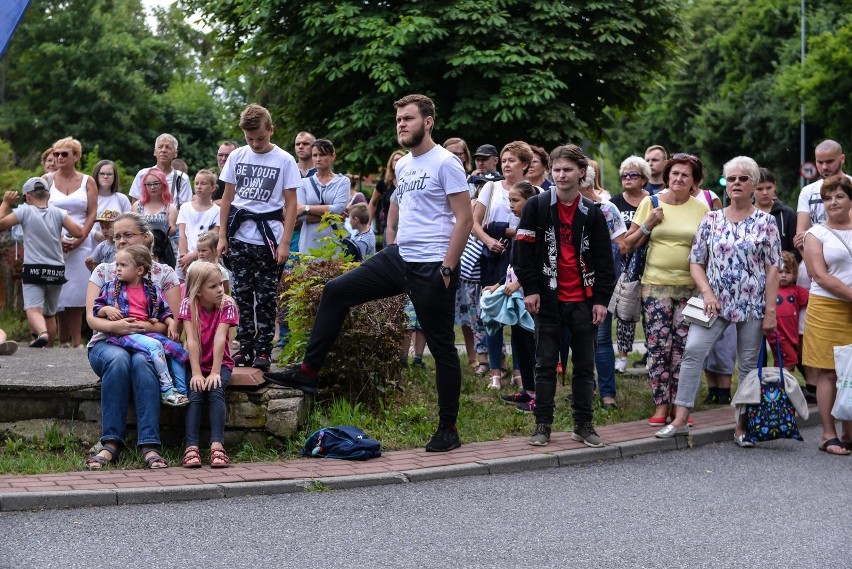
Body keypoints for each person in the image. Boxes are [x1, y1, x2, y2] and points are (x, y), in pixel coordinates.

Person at [265, 94, 473, 452]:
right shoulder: (404, 165)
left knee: (441, 347)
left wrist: (448, 267)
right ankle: (308, 373)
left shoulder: (446, 163)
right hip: (399, 257)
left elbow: (465, 218)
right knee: (336, 291)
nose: (402, 125)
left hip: (432, 265)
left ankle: (448, 428)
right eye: (398, 120)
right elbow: (400, 211)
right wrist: (391, 244)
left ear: (428, 122)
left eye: (408, 118)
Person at [656, 156, 781, 445]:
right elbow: (696, 262)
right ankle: (680, 419)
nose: (735, 184)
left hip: (751, 304)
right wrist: (708, 293)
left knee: (748, 366)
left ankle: (742, 425)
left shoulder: (766, 222)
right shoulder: (711, 219)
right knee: (692, 352)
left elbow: (773, 267)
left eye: (742, 179)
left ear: (753, 184)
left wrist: (771, 311)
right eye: (730, 179)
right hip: (712, 303)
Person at [513, 144, 616, 447]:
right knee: (544, 364)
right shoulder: (537, 206)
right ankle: (542, 424)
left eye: (567, 169)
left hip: (583, 300)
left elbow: (604, 261)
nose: (561, 175)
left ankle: (583, 424)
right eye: (556, 170)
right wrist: (531, 289)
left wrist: (601, 299)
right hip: (548, 299)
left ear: (581, 173)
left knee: (585, 365)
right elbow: (521, 254)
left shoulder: (593, 213)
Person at [85, 212, 182, 470]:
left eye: (128, 234)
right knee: (118, 361)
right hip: (107, 342)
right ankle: (111, 443)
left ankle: (149, 444)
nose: (121, 241)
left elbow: (171, 322)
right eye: (116, 236)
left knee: (142, 361)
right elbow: (92, 318)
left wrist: (142, 326)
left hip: (147, 341)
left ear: (146, 237)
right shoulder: (104, 272)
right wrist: (115, 326)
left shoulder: (165, 274)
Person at [624, 153, 709, 427]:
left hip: (690, 289)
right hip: (655, 287)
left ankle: (680, 406)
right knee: (658, 346)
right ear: (667, 176)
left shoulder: (702, 210)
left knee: (683, 349)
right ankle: (661, 405)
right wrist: (649, 225)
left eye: (685, 175)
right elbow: (628, 244)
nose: (678, 178)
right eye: (674, 173)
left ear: (694, 182)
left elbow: (708, 251)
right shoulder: (651, 202)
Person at [217, 103, 300, 371]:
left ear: (271, 130)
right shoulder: (237, 156)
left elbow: (291, 204)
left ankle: (264, 349)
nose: (255, 144)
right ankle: (244, 346)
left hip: (269, 239)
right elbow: (227, 199)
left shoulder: (285, 160)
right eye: (250, 139)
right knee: (241, 295)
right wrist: (222, 236)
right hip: (239, 236)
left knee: (265, 298)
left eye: (260, 138)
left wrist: (285, 242)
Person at [93, 245, 189, 406]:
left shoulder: (152, 289)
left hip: (147, 334)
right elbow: (97, 308)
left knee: (176, 350)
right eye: (117, 264)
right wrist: (107, 310)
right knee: (155, 346)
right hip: (124, 334)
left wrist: (171, 321)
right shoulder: (110, 287)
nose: (117, 269)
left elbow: (164, 311)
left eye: (123, 265)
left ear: (139, 270)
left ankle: (182, 391)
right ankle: (167, 390)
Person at [472, 141, 532, 389]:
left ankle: (519, 370)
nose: (506, 164)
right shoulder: (491, 187)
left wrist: (512, 235)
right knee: (492, 313)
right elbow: (474, 223)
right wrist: (489, 241)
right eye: (504, 160)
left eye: (512, 160)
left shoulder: (534, 190)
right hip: (493, 256)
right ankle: (495, 371)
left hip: (520, 257)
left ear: (525, 165)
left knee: (519, 314)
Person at [802, 174, 852, 456]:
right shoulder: (815, 233)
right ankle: (828, 434)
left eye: (839, 196)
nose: (833, 202)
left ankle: (849, 432)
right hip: (827, 308)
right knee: (829, 371)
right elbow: (819, 275)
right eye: (828, 198)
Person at [0, 178, 83, 348]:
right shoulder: (59, 212)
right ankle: (49, 347)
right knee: (50, 313)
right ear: (49, 195)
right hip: (57, 269)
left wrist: (5, 203)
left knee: (33, 309)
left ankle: (42, 333)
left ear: (28, 197)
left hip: (34, 268)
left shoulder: (24, 211)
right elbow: (78, 232)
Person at [180, 262, 239, 468]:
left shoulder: (227, 304)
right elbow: (192, 339)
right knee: (194, 393)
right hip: (196, 361)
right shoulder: (188, 304)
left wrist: (215, 372)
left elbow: (220, 338)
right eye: (213, 287)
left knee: (215, 389)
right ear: (198, 291)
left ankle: (217, 446)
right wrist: (196, 373)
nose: (220, 289)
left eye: (220, 284)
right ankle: (191, 447)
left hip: (220, 363)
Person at [579, 163, 627, 409]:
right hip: (569, 284)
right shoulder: (555, 205)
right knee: (575, 340)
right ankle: (584, 391)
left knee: (602, 338)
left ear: (584, 181)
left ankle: (608, 395)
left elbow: (622, 245)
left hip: (599, 285)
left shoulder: (607, 209)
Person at [489, 181, 539, 411]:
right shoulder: (520, 226)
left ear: (529, 201)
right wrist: (498, 285)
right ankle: (527, 391)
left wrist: (520, 283)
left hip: (532, 295)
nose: (511, 205)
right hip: (516, 295)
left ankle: (538, 397)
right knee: (518, 343)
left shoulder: (538, 226)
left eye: (515, 200)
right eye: (509, 200)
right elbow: (514, 264)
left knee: (532, 346)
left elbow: (542, 263)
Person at [46, 137, 98, 348]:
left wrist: (80, 238)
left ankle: (77, 342)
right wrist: (55, 238)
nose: (59, 157)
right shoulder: (47, 180)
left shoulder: (88, 181)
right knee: (56, 291)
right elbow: (39, 209)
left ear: (76, 156)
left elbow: (92, 212)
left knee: (76, 292)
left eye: (64, 154)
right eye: (56, 153)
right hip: (52, 241)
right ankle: (59, 340)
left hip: (81, 241)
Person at [610, 156, 651, 372]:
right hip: (624, 265)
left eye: (633, 175)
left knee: (650, 313)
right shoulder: (615, 202)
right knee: (624, 312)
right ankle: (622, 357)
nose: (627, 178)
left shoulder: (653, 201)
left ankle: (651, 354)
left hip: (650, 263)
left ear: (644, 179)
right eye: (624, 175)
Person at [296, 139, 349, 255]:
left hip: (334, 243)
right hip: (308, 244)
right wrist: (333, 217)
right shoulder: (303, 183)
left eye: (323, 155)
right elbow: (300, 217)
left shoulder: (342, 181)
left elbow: (338, 208)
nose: (318, 159)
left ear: (332, 156)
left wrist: (306, 208)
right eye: (315, 155)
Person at [128, 134, 192, 210]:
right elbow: (135, 204)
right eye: (160, 147)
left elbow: (185, 208)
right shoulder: (143, 174)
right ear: (155, 152)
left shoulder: (182, 178)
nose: (163, 150)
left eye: (168, 147)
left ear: (175, 153)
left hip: (173, 220)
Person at [177, 169, 221, 280]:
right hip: (184, 257)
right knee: (182, 290)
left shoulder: (217, 211)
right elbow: (182, 234)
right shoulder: (185, 207)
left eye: (203, 183)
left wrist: (192, 256)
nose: (199, 186)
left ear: (213, 188)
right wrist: (184, 257)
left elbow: (213, 239)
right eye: (196, 183)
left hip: (205, 258)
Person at [768, 251, 808, 370]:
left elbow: (814, 300)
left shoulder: (796, 291)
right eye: (780, 272)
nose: (784, 275)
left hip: (792, 336)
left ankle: (781, 386)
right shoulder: (770, 290)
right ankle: (781, 386)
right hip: (777, 335)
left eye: (788, 272)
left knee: (785, 363)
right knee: (789, 361)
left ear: (794, 273)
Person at [134, 168, 177, 266]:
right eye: (148, 184)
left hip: (164, 251)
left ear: (163, 184)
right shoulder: (137, 206)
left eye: (156, 183)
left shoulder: (170, 207)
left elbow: (172, 230)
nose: (152, 187)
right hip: (141, 250)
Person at [756, 168, 798, 260]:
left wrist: (785, 259)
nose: (765, 193)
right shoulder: (744, 215)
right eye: (759, 189)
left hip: (781, 271)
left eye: (769, 188)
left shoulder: (787, 214)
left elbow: (797, 248)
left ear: (774, 186)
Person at [368, 150, 406, 245]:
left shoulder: (412, 182)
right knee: (390, 258)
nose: (399, 162)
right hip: (389, 229)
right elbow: (373, 203)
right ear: (391, 164)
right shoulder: (384, 184)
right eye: (396, 160)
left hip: (408, 229)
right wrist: (368, 224)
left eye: (402, 159)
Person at [92, 160, 131, 238]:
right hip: (91, 246)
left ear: (114, 177)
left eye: (109, 174)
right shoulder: (88, 198)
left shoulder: (121, 199)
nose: (105, 176)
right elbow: (80, 221)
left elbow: (129, 223)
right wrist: (94, 233)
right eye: (102, 173)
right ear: (96, 175)